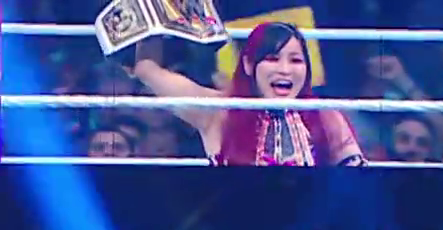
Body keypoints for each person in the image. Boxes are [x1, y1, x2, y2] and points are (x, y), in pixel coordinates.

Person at [124, 22, 365, 166]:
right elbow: (147, 70)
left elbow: (357, 181)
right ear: (249, 65)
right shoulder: (218, 112)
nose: (285, 70)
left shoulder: (326, 117)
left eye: (296, 60)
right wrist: (151, 17)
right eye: (272, 59)